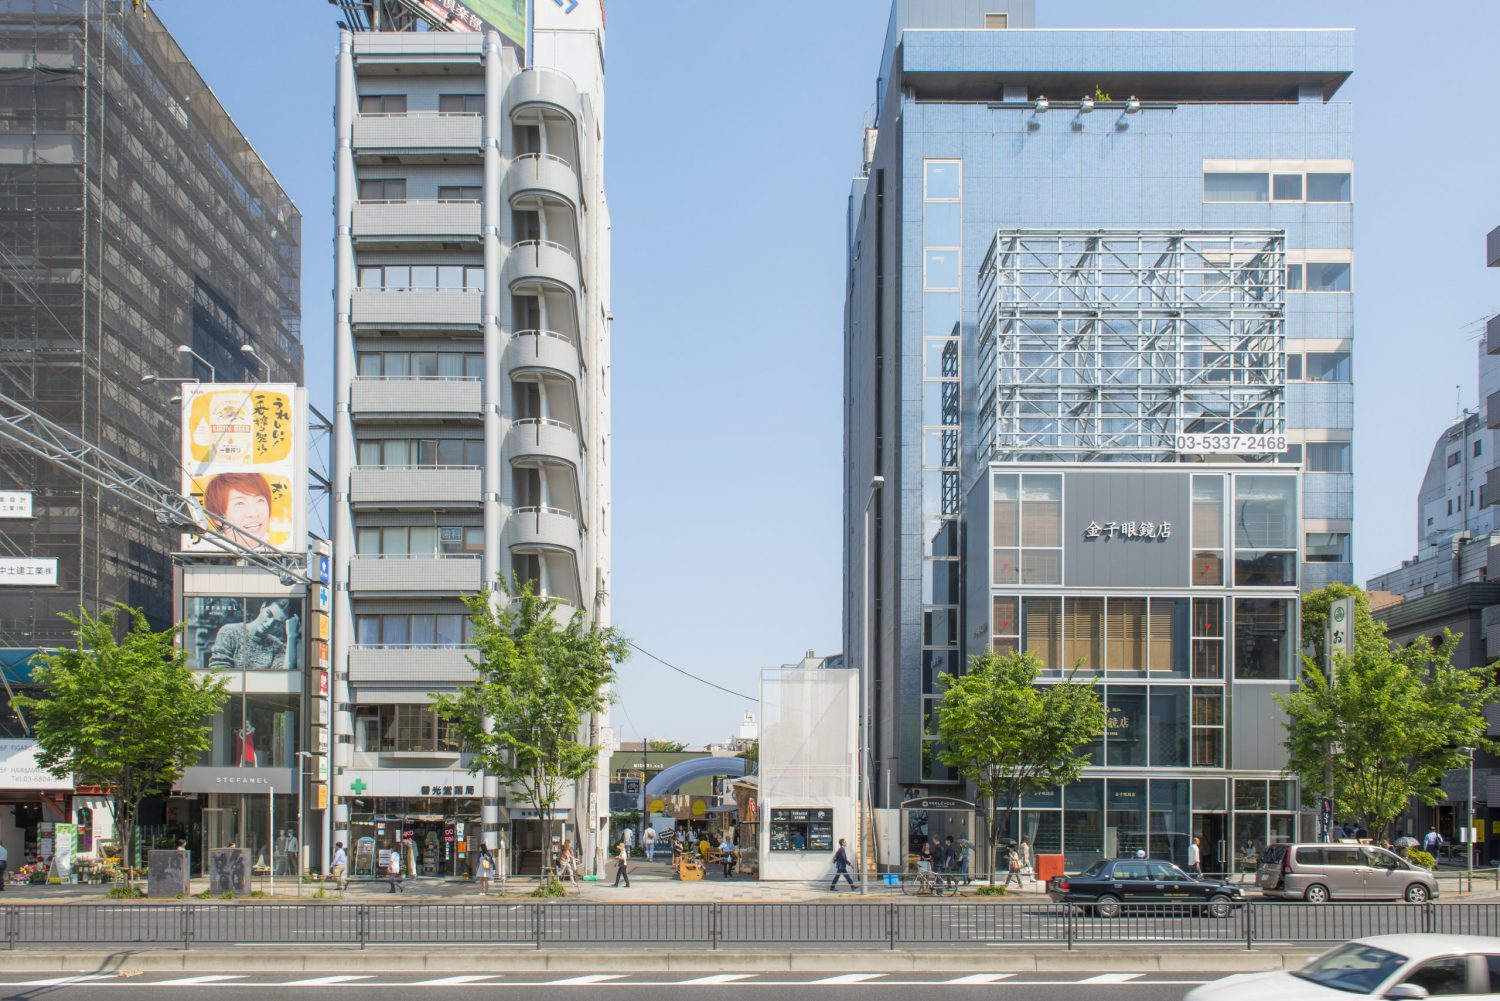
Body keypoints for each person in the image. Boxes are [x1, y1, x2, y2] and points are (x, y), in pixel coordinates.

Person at [209, 598, 300, 671]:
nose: (269, 624)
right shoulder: (230, 632)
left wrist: (292, 637)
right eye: (269, 614)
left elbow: (284, 677)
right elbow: (219, 673)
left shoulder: (277, 646)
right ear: (263, 606)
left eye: (277, 623)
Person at [202, 471, 275, 548]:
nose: (253, 513)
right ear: (217, 517)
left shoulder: (278, 548)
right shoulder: (205, 550)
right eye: (240, 503)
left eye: (259, 500)